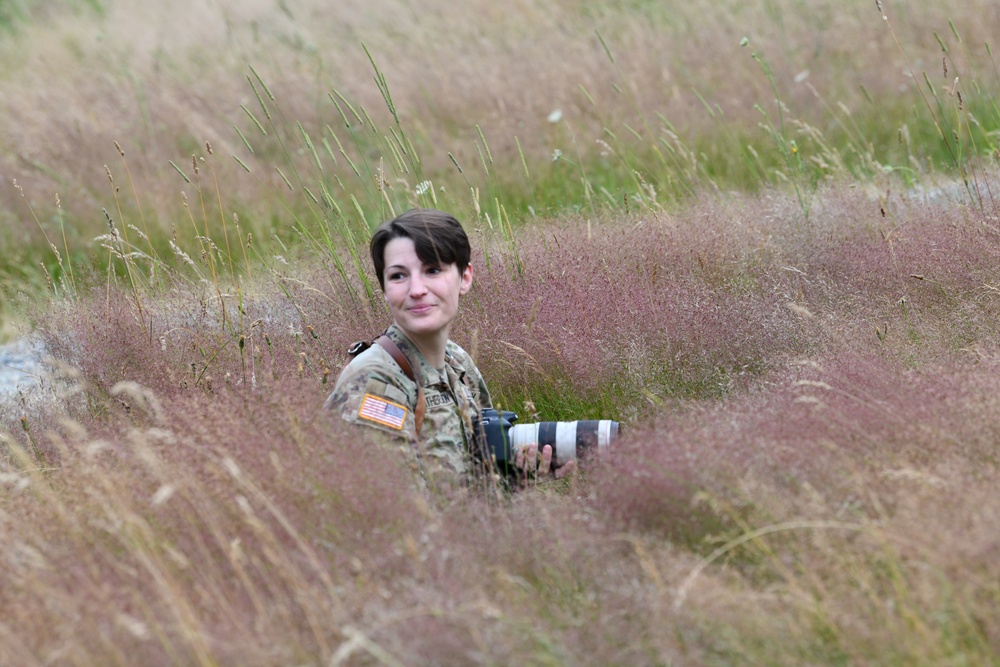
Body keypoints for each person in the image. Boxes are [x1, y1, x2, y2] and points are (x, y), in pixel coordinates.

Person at [324, 208, 575, 493]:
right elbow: (389, 515)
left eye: (432, 270)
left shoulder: (458, 363)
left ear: (465, 278)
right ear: (384, 288)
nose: (416, 289)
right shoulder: (376, 380)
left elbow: (473, 486)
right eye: (398, 276)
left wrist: (515, 478)